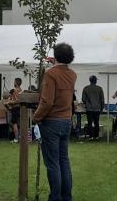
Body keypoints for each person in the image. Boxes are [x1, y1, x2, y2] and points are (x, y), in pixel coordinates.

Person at [33, 43, 77, 201]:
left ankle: (55, 197)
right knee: (64, 161)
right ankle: (66, 197)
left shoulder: (50, 74)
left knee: (52, 163)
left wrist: (35, 117)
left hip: (51, 121)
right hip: (66, 120)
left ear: (56, 56)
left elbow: (47, 102)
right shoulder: (72, 74)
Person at [82, 75, 104, 140]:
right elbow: (102, 99)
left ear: (90, 81)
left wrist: (87, 104)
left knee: (90, 122)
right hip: (97, 108)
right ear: (96, 81)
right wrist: (102, 107)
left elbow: (83, 99)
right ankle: (96, 136)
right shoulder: (100, 88)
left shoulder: (86, 88)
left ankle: (91, 136)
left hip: (89, 108)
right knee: (96, 122)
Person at [7, 77, 23, 143]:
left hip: (15, 108)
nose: (13, 83)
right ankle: (19, 137)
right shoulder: (21, 90)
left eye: (14, 82)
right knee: (19, 124)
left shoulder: (15, 91)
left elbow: (15, 100)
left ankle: (16, 138)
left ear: (16, 83)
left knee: (14, 124)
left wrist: (9, 102)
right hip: (20, 108)